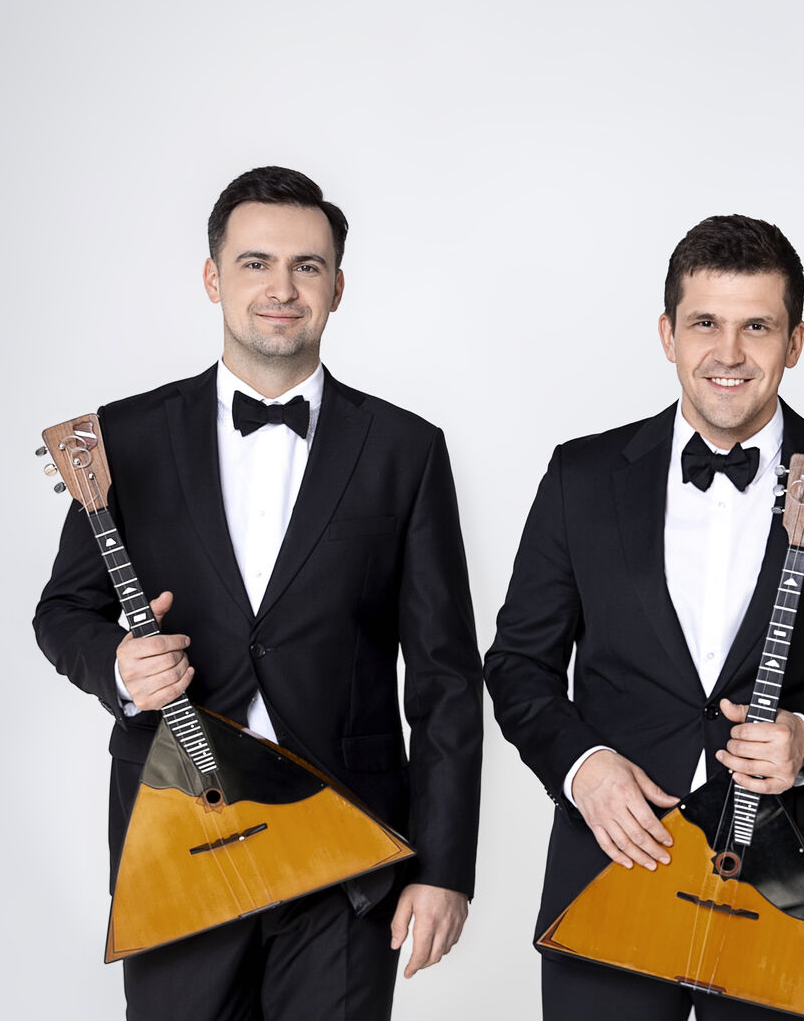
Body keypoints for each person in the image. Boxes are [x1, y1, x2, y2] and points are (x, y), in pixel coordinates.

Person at [32, 166, 483, 1020]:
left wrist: (445, 867)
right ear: (213, 278)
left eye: (307, 266)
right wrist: (121, 667)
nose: (282, 288)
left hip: (347, 844)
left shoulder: (406, 449)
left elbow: (446, 677)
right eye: (255, 263)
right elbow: (63, 611)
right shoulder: (122, 436)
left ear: (337, 287)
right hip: (177, 834)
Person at [484, 214, 804, 1019]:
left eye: (757, 327)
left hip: (792, 882)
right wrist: (582, 767)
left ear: (794, 342)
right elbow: (518, 665)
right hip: (614, 863)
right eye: (705, 323)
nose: (729, 353)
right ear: (668, 333)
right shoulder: (580, 477)